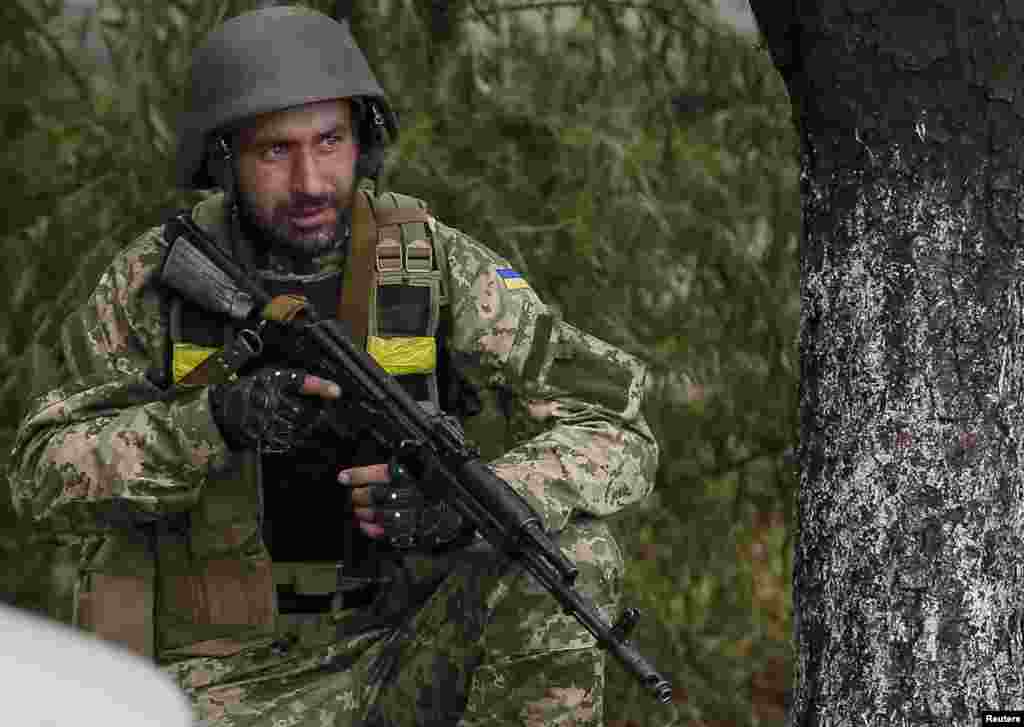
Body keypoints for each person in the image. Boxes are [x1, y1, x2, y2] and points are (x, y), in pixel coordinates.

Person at [8, 6, 659, 725]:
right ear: (222, 158)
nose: (312, 181)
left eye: (330, 140)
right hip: (217, 680)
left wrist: (463, 502)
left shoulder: (430, 263)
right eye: (274, 151)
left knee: (570, 555)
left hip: (400, 647)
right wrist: (212, 423)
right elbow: (39, 476)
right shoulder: (154, 281)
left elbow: (616, 426)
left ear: (363, 140)